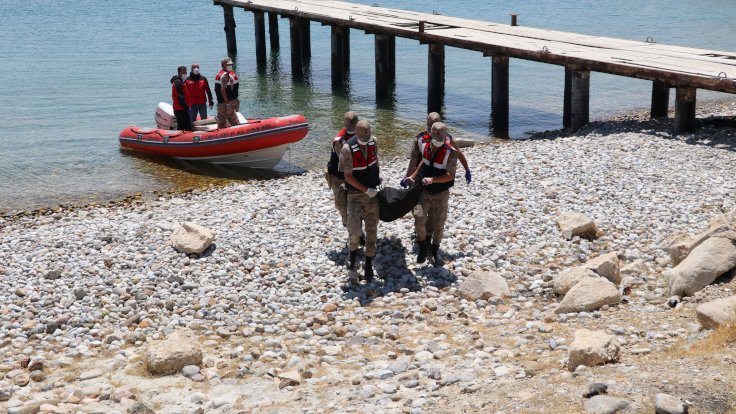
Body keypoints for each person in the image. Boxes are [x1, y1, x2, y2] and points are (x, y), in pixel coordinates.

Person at [404, 122, 457, 264]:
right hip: (424, 192)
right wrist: (412, 176)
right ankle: (422, 246)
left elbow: (450, 175)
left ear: (445, 136)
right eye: (434, 136)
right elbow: (422, 162)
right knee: (419, 219)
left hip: (441, 194)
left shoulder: (450, 152)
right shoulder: (426, 146)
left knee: (439, 223)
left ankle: (434, 249)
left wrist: (433, 179)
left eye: (440, 137)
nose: (436, 140)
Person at [339, 120, 381, 280]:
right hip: (355, 196)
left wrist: (376, 180)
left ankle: (369, 263)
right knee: (355, 231)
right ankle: (353, 255)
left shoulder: (373, 142)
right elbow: (348, 177)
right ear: (356, 133)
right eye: (362, 137)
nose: (366, 141)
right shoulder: (347, 149)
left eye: (368, 136)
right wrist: (366, 190)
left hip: (372, 197)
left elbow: (375, 161)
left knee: (372, 231)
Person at [402, 112, 470, 186]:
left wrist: (467, 170)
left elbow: (458, 153)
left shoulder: (447, 139)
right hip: (423, 171)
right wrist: (408, 177)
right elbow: (414, 159)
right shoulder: (420, 139)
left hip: (439, 174)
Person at [326, 111, 359, 228]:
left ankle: (355, 226)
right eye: (347, 124)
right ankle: (348, 225)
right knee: (342, 204)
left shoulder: (360, 133)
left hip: (353, 173)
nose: (349, 127)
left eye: (352, 125)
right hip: (338, 176)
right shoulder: (339, 141)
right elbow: (345, 162)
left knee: (356, 203)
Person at [214, 57, 240, 129]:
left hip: (220, 104)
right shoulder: (225, 75)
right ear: (223, 65)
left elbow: (216, 89)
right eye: (228, 65)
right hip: (226, 104)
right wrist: (228, 103)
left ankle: (220, 138)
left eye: (231, 64)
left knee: (221, 124)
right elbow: (222, 90)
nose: (230, 66)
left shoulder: (219, 74)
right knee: (235, 123)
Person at [170, 66, 192, 131]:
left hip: (181, 108)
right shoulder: (178, 82)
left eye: (186, 72)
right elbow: (180, 97)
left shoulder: (182, 81)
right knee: (187, 127)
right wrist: (186, 107)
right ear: (179, 72)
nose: (185, 73)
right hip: (181, 109)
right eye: (184, 72)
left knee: (182, 127)